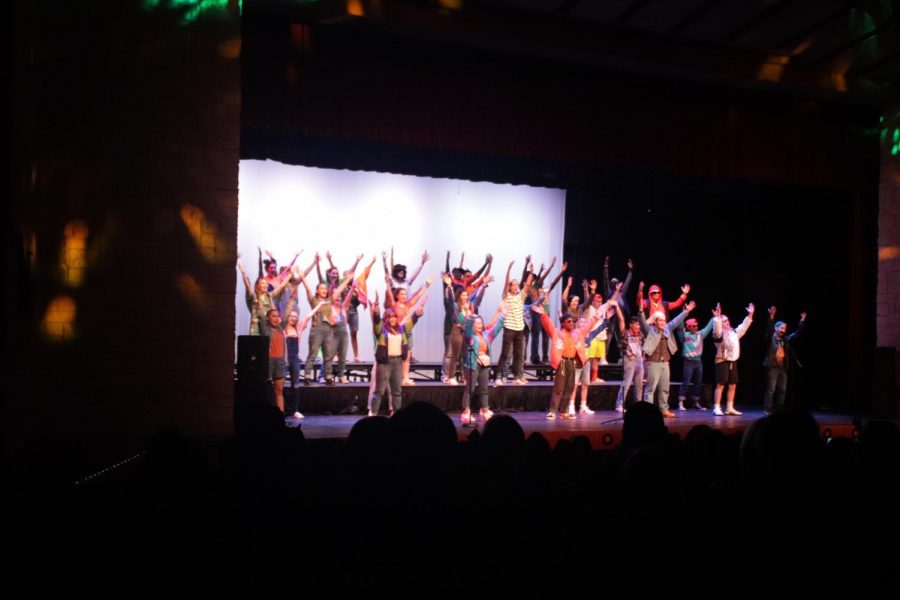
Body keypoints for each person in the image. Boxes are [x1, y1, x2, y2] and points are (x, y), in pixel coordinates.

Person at [534, 282, 620, 419]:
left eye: (572, 322)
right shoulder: (557, 333)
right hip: (562, 362)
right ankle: (552, 410)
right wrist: (543, 314)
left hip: (572, 362)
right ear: (563, 323)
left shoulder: (578, 333)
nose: (572, 324)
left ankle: (564, 411)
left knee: (569, 387)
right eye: (569, 322)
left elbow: (591, 323)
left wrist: (603, 314)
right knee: (559, 387)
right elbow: (548, 324)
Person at [639, 300, 696, 418]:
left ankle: (664, 409)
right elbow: (643, 322)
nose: (663, 322)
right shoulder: (649, 330)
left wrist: (686, 312)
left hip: (665, 362)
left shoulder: (667, 329)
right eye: (661, 320)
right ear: (655, 321)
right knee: (650, 389)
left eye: (664, 320)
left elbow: (676, 321)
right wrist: (640, 312)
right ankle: (647, 412)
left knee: (665, 388)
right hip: (653, 362)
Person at [460, 303, 506, 426]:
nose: (479, 325)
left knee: (484, 389)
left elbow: (496, 329)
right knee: (470, 389)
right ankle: (466, 412)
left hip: (484, 364)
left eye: (480, 323)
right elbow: (468, 329)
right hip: (473, 364)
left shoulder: (486, 335)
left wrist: (502, 316)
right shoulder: (470, 336)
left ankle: (484, 410)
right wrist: (470, 318)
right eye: (477, 324)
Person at [495, 260, 534, 386]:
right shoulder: (507, 296)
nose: (516, 286)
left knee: (518, 354)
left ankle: (517, 377)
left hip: (519, 329)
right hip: (509, 329)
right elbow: (506, 284)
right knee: (505, 354)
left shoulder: (520, 297)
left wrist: (531, 272)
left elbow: (527, 285)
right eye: (514, 285)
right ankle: (498, 376)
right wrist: (508, 270)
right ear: (510, 287)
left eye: (517, 285)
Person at [711, 302, 754, 416]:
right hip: (722, 360)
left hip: (732, 361)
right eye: (724, 321)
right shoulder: (718, 334)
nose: (727, 322)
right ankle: (717, 407)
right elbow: (717, 328)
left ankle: (729, 407)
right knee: (720, 384)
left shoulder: (734, 332)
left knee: (732, 385)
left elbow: (744, 326)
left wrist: (750, 315)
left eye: (727, 320)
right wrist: (718, 318)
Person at [763, 306, 807, 414]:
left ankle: (779, 411)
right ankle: (767, 409)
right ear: (776, 328)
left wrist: (802, 321)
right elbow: (769, 329)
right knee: (771, 390)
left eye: (785, 328)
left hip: (783, 368)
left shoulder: (785, 340)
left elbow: (796, 334)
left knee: (782, 390)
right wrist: (771, 317)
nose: (783, 330)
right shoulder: (770, 338)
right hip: (773, 367)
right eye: (781, 328)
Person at [676, 315, 715, 411]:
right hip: (688, 361)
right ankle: (680, 402)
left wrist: (714, 317)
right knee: (686, 381)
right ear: (688, 327)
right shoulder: (685, 336)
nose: (695, 327)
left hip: (698, 361)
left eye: (696, 326)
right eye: (693, 326)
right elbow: (679, 328)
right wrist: (684, 314)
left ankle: (695, 402)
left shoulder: (700, 334)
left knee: (698, 382)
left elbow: (708, 327)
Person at [614, 305, 644, 413]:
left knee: (639, 385)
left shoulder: (641, 334)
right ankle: (619, 405)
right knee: (626, 383)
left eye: (639, 325)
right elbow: (621, 319)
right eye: (636, 324)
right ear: (631, 325)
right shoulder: (625, 333)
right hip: (629, 360)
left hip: (639, 360)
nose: (638, 327)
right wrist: (617, 307)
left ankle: (638, 405)